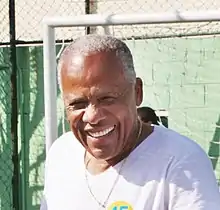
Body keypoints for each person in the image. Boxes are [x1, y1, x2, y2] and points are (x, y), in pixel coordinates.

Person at [41, 35, 220, 210]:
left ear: (137, 92)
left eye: (107, 99)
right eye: (78, 104)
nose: (92, 116)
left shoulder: (181, 162)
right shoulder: (61, 154)